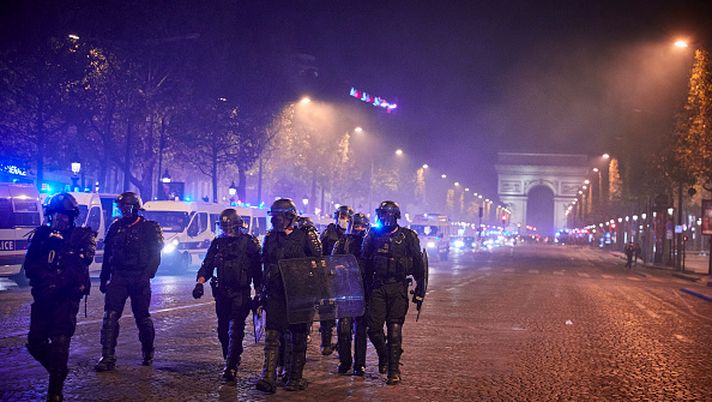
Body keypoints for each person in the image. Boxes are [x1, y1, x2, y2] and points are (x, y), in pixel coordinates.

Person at [24, 193, 96, 402]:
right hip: (43, 296)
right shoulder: (41, 235)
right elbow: (30, 265)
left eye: (64, 216)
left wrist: (60, 282)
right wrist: (46, 280)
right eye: (56, 215)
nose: (59, 219)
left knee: (60, 341)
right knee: (35, 342)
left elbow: (82, 265)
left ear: (71, 216)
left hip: (66, 297)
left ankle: (55, 391)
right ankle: (59, 370)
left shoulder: (82, 236)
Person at [256, 199, 322, 393]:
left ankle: (294, 376)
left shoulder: (305, 236)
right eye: (274, 217)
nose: (276, 221)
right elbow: (265, 263)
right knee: (272, 335)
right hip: (276, 293)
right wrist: (261, 289)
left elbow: (318, 260)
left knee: (298, 337)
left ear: (290, 217)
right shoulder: (270, 238)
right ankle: (268, 377)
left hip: (299, 293)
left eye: (280, 217)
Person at [95, 192, 163, 372]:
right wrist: (104, 278)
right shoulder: (115, 227)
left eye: (127, 207)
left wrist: (147, 275)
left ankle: (148, 351)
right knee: (110, 316)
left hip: (139, 276)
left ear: (135, 208)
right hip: (118, 276)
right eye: (121, 207)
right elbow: (108, 254)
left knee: (142, 317)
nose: (124, 210)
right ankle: (107, 356)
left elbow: (155, 255)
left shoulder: (149, 228)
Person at [192, 209, 261, 383]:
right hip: (222, 292)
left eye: (229, 227)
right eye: (224, 227)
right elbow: (207, 265)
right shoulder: (218, 243)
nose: (226, 231)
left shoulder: (249, 243)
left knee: (236, 329)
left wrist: (260, 292)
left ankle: (231, 366)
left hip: (241, 292)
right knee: (223, 329)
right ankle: (229, 357)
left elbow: (257, 270)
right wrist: (200, 282)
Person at [362, 201, 425, 385]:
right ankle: (385, 355)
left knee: (394, 328)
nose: (384, 219)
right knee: (373, 329)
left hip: (398, 286)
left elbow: (418, 265)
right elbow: (364, 262)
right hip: (378, 286)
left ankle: (393, 370)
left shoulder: (408, 237)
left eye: (387, 215)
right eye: (382, 215)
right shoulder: (373, 235)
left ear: (396, 216)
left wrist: (420, 288)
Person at [332, 212, 370, 376]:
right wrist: (338, 269)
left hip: (363, 291)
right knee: (344, 329)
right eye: (356, 225)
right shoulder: (342, 243)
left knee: (361, 330)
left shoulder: (370, 244)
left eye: (362, 226)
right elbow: (332, 263)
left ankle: (359, 364)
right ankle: (345, 361)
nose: (359, 229)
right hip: (345, 289)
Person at [318, 205, 353, 355]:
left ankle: (342, 342)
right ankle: (325, 343)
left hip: (348, 279)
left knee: (346, 315)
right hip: (329, 276)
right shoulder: (328, 233)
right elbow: (320, 253)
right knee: (327, 310)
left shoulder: (353, 235)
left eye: (347, 218)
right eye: (342, 216)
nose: (344, 220)